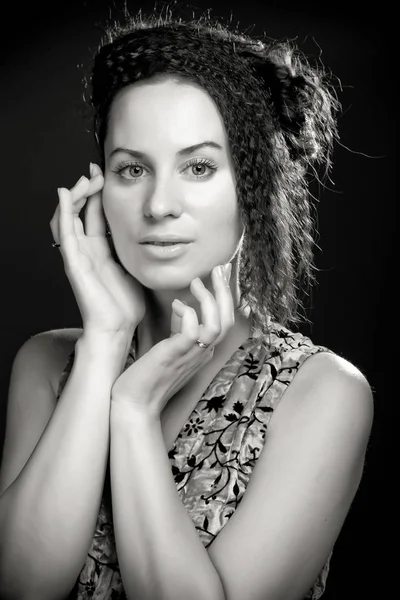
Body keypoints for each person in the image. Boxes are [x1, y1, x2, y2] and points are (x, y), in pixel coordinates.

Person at [0, 6, 374, 600]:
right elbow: (22, 586)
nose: (158, 204)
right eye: (131, 170)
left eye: (199, 167)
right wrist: (104, 344)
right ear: (100, 192)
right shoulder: (47, 366)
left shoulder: (322, 391)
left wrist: (134, 410)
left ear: (252, 189)